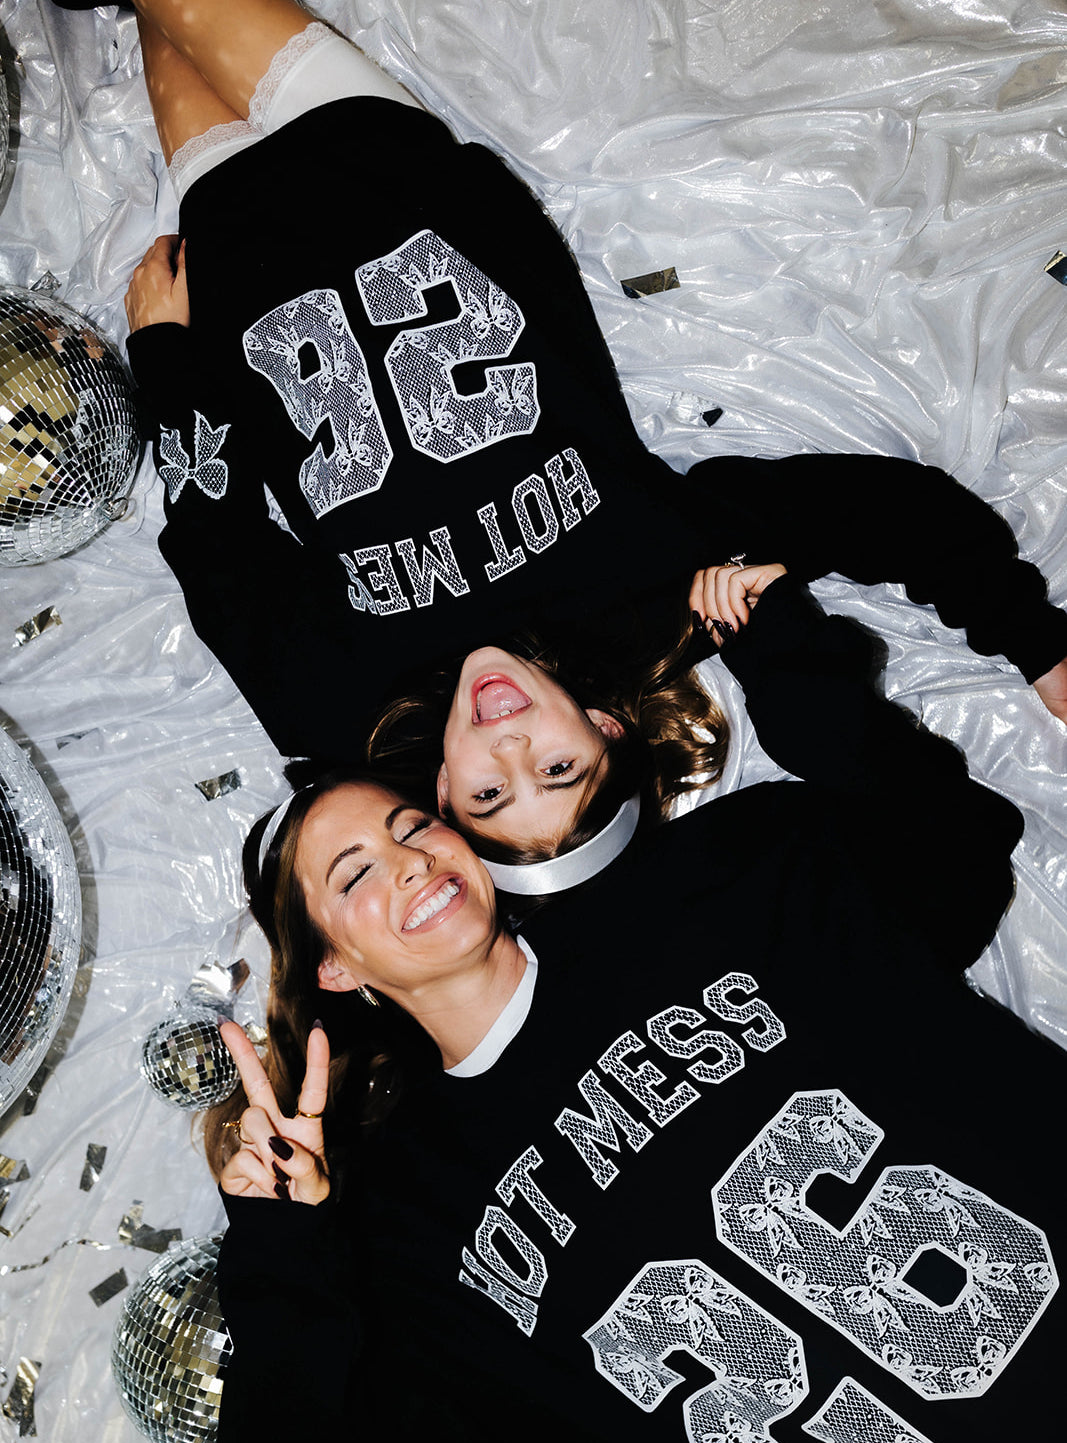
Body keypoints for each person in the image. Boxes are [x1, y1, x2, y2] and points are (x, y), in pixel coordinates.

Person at [208, 562, 1061, 1443]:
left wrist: (784, 658)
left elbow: (960, 849)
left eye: (413, 827)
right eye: (352, 875)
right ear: (337, 968)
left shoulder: (727, 871)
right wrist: (279, 1240)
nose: (405, 864)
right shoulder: (409, 1223)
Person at [112, 0, 1066, 874]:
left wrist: (164, 358)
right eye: (561, 768)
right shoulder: (659, 591)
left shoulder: (341, 712)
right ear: (606, 727)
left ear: (443, 798)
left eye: (490, 792)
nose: (510, 746)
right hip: (395, 186)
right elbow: (891, 516)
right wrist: (1038, 645)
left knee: (157, 29)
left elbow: (220, 559)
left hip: (237, 265)